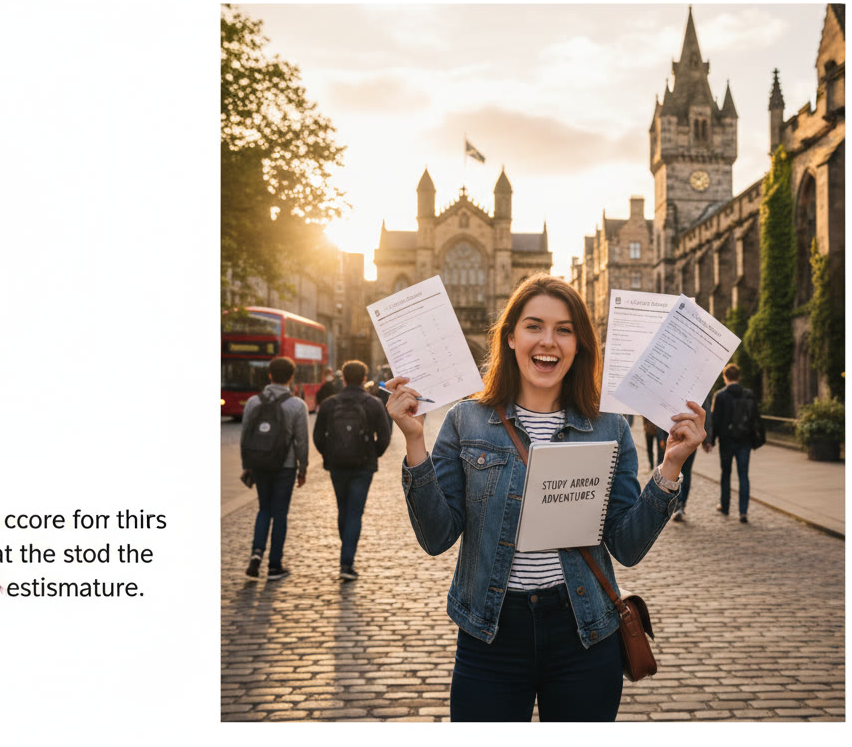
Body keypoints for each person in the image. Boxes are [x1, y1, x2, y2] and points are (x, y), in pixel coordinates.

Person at [382, 274, 706, 722]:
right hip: (490, 634)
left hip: (584, 632)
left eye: (564, 329)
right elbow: (436, 537)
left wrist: (671, 467)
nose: (548, 341)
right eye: (534, 325)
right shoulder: (465, 421)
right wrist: (414, 442)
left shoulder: (610, 427)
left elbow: (627, 548)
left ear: (579, 345)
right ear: (511, 336)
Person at [312, 360, 392, 581]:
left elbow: (318, 436)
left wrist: (328, 455)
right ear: (364, 379)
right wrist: (372, 454)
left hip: (336, 465)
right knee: (355, 512)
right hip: (363, 466)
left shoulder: (329, 404)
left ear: (344, 378)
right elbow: (385, 436)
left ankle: (346, 551)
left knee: (342, 508)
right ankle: (347, 563)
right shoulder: (374, 403)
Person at [240, 356, 309, 580]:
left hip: (259, 465)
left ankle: (256, 555)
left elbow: (245, 438)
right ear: (291, 376)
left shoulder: (253, 402)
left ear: (269, 375)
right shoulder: (297, 405)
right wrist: (303, 468)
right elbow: (301, 441)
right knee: (280, 514)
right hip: (285, 467)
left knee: (264, 509)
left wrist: (247, 466)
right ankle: (274, 566)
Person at [702, 364, 758, 523]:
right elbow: (754, 418)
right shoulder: (748, 394)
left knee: (725, 474)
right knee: (743, 475)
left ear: (725, 377)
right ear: (739, 377)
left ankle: (725, 505)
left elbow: (716, 420)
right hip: (744, 441)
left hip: (727, 442)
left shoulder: (720, 396)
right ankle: (743, 511)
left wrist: (710, 441)